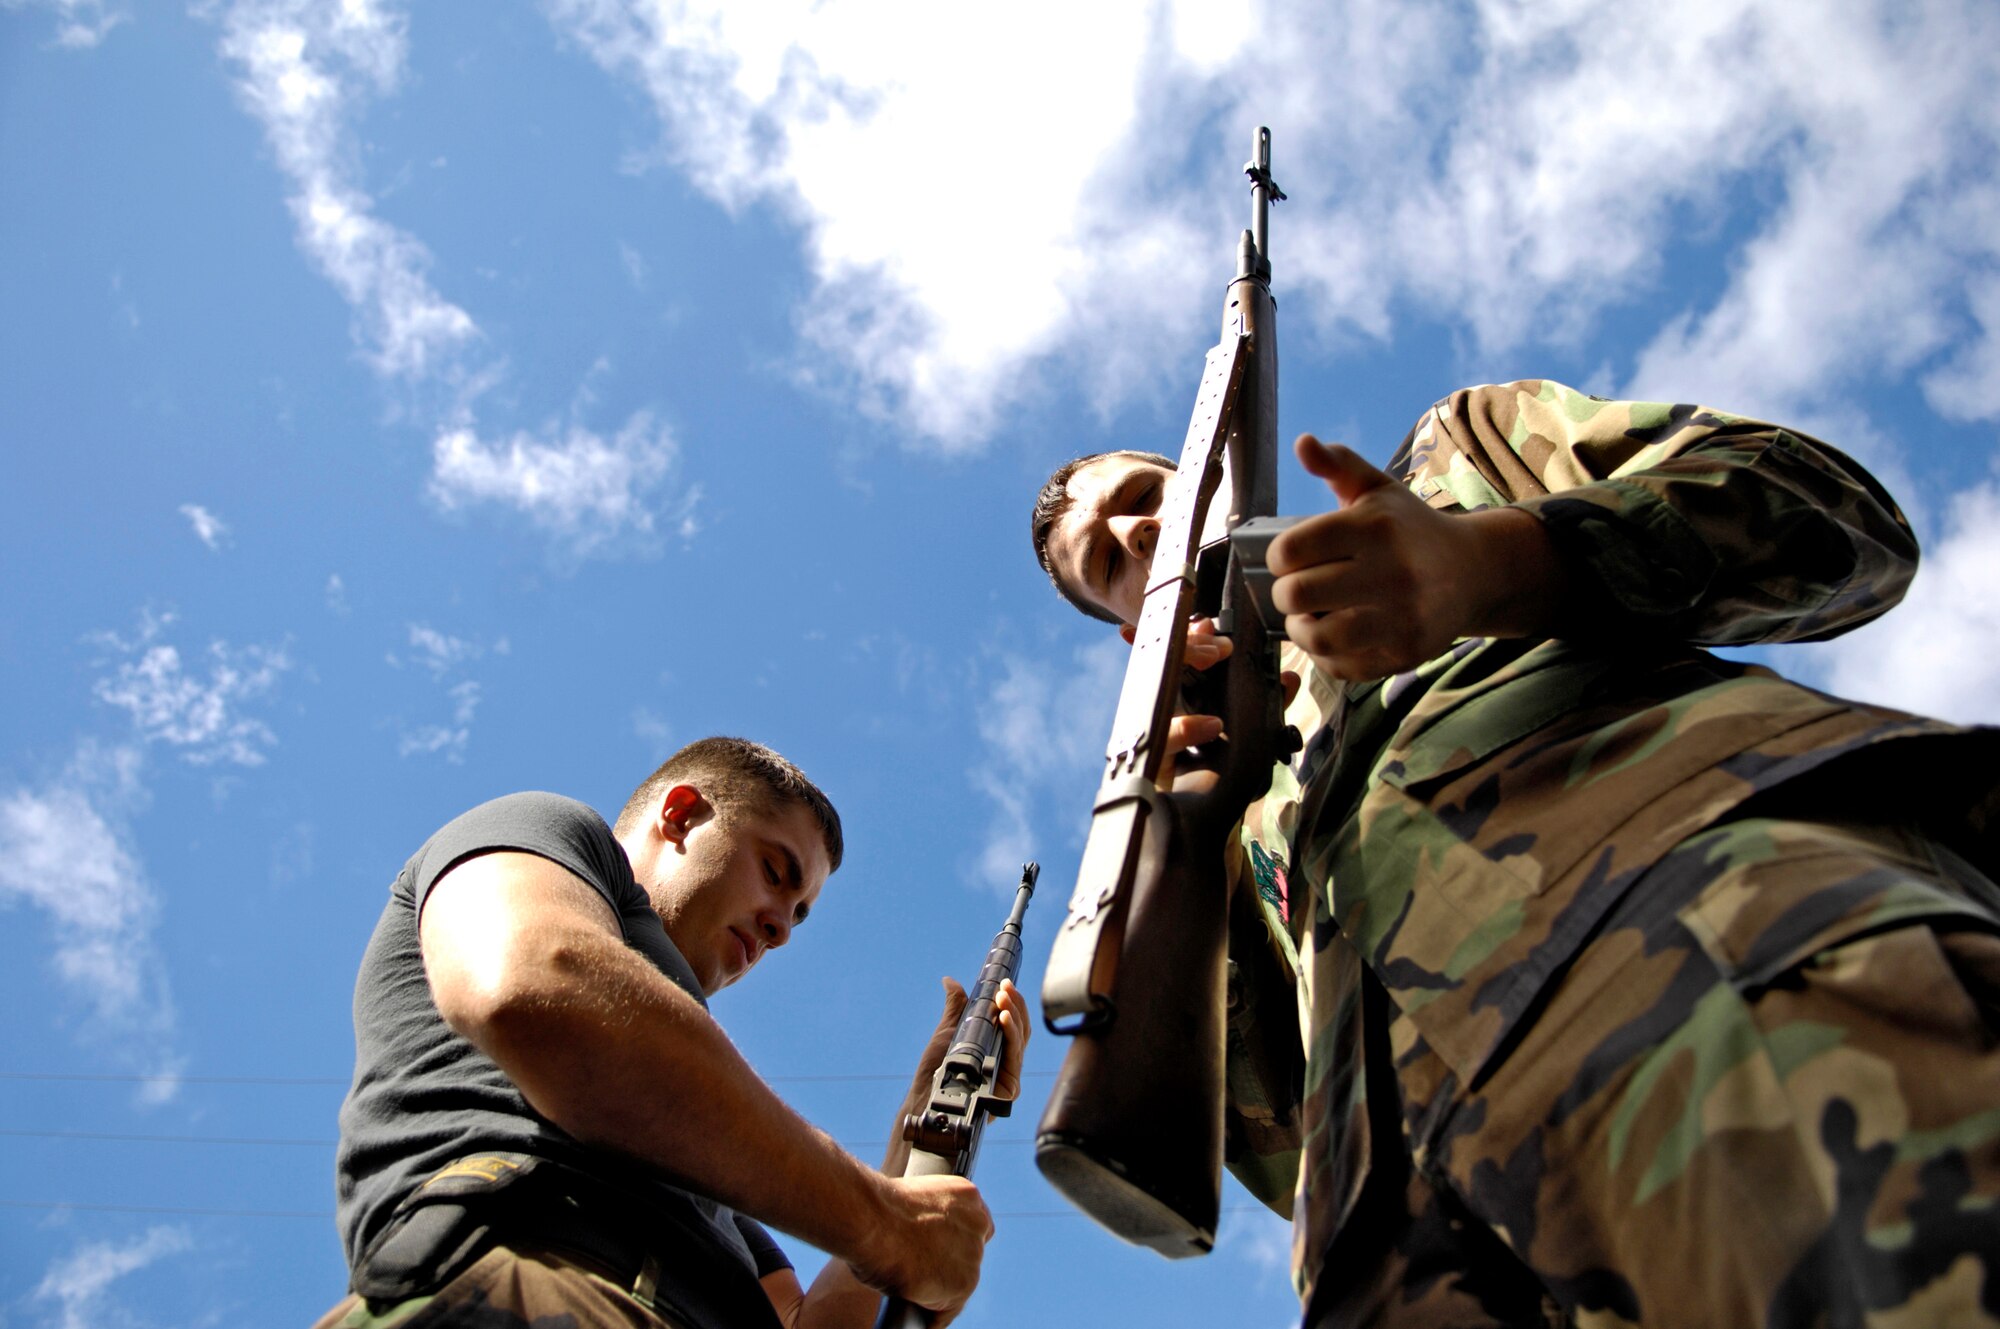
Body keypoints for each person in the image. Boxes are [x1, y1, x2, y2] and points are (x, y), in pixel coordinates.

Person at [1031, 382, 2000, 1327]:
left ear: (1222, 481)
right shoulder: (1215, 808)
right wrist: (1180, 848)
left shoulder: (1450, 463)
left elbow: (1835, 520)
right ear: (1128, 629)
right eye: (1102, 559)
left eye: (1140, 499)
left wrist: (1488, 565)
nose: (1131, 537)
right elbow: (1279, 1157)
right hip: (1415, 1248)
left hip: (1703, 947)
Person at [313, 736, 1028, 1329]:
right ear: (681, 814)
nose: (781, 926)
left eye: (801, 913)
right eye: (777, 873)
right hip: (537, 1285)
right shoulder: (550, 832)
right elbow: (535, 984)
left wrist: (919, 1135)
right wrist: (887, 1224)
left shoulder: (722, 1186)